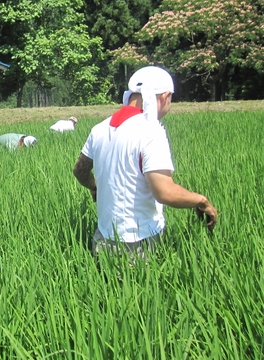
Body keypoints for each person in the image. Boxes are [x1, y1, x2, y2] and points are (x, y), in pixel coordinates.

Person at [72, 66, 218, 258]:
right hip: (139, 245)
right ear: (165, 96)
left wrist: (95, 187)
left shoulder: (100, 128)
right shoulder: (151, 130)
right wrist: (202, 201)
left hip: (102, 242)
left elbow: (80, 170)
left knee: (106, 287)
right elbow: (165, 192)